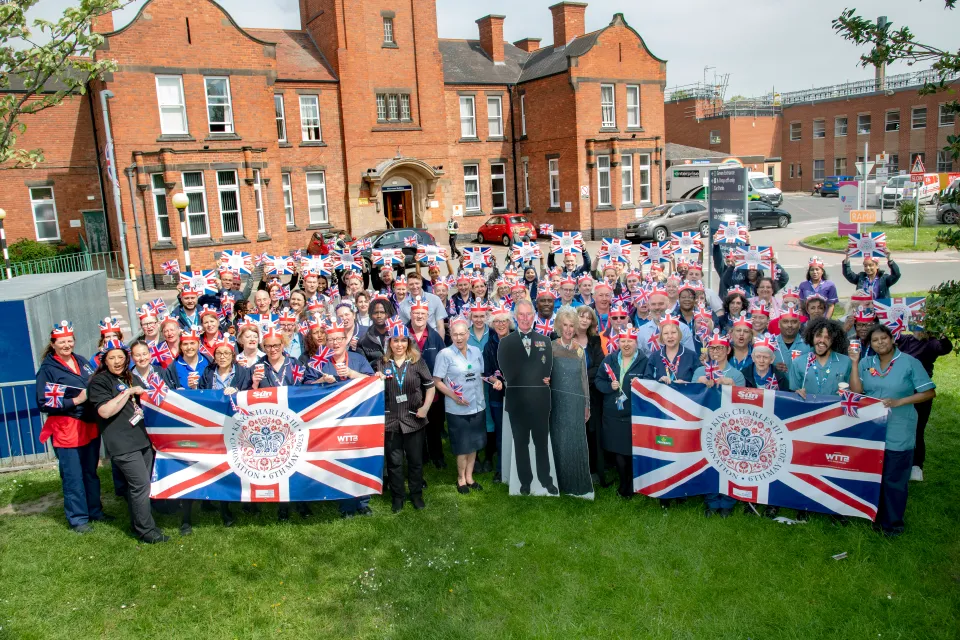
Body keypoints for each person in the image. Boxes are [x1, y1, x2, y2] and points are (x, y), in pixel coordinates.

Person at [850, 324, 936, 537]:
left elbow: (928, 392)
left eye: (883, 338)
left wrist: (900, 402)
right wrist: (854, 363)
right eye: (875, 341)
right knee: (875, 476)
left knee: (894, 479)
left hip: (899, 428)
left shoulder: (909, 363)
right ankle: (876, 518)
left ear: (892, 339)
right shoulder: (866, 363)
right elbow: (856, 391)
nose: (880, 343)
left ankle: (893, 525)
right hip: (872, 430)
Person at [87, 340, 169, 543]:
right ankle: (147, 531)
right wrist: (127, 393)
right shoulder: (99, 382)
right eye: (112, 358)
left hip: (141, 440)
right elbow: (105, 411)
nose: (117, 361)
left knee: (142, 486)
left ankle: (137, 523)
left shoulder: (129, 377)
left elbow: (150, 400)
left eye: (121, 357)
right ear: (104, 360)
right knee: (140, 485)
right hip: (123, 444)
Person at [36, 321, 105, 533]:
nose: (67, 345)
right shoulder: (47, 370)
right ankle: (78, 519)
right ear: (53, 344)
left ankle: (95, 511)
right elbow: (43, 402)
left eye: (69, 341)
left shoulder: (82, 361)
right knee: (73, 475)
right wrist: (74, 401)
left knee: (90, 472)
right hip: (66, 428)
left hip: (89, 425)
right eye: (62, 342)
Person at [311, 320, 376, 518]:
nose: (336, 343)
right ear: (326, 342)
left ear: (346, 340)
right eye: (331, 340)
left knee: (360, 458)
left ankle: (362, 502)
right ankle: (346, 504)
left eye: (339, 339)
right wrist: (322, 380)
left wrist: (350, 374)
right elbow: (305, 389)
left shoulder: (357, 359)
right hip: (332, 422)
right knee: (340, 461)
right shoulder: (319, 362)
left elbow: (372, 381)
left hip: (359, 417)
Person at [498, 299, 557, 495]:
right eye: (521, 315)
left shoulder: (545, 341)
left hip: (540, 403)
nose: (524, 318)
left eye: (528, 315)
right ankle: (525, 482)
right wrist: (534, 378)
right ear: (516, 317)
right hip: (518, 404)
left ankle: (546, 480)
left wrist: (546, 379)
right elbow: (509, 372)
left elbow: (547, 369)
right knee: (521, 444)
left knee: (541, 444)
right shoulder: (505, 343)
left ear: (534, 316)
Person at [375, 323, 435, 512]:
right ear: (389, 343)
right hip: (391, 420)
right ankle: (398, 497)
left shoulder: (417, 361)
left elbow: (430, 386)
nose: (399, 345)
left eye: (403, 341)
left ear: (408, 343)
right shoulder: (382, 363)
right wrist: (376, 379)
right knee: (395, 463)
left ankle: (416, 494)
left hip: (414, 419)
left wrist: (425, 407)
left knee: (415, 461)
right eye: (395, 341)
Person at [691, 331, 745, 518]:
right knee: (709, 462)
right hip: (706, 424)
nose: (716, 351)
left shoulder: (736, 374)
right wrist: (698, 384)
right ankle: (712, 501)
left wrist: (732, 386)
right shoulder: (699, 371)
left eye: (720, 348)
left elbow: (744, 401)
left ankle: (728, 500)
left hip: (730, 425)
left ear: (728, 350)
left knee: (730, 463)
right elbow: (691, 398)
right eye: (712, 348)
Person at [433, 317, 486, 494]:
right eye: (455, 334)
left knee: (474, 444)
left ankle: (470, 477)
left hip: (477, 405)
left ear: (468, 334)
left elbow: (481, 375)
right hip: (458, 409)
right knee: (463, 446)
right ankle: (461, 479)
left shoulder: (476, 351)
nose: (459, 338)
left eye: (462, 334)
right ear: (450, 335)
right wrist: (454, 396)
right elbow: (437, 381)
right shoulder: (445, 355)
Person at [595, 325, 649, 499]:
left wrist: (641, 387)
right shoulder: (609, 360)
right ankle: (624, 483)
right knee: (618, 451)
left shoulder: (644, 361)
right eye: (623, 341)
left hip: (634, 414)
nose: (626, 344)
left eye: (630, 341)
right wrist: (608, 387)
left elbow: (650, 384)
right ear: (618, 342)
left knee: (630, 451)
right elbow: (598, 380)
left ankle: (631, 484)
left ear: (636, 343)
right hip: (613, 414)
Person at [549, 306, 594, 497]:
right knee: (559, 440)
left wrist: (586, 405)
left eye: (571, 326)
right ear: (559, 326)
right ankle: (559, 482)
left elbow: (584, 379)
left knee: (576, 440)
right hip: (557, 402)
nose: (568, 329)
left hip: (576, 402)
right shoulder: (551, 348)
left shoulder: (580, 350)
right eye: (564, 325)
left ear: (576, 327)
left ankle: (577, 483)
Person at [895, 330, 952, 482]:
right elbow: (889, 335)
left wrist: (940, 333)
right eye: (916, 324)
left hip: (921, 392)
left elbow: (945, 348)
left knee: (917, 429)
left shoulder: (932, 343)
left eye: (923, 325)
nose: (919, 329)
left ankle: (916, 466)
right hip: (899, 391)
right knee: (897, 427)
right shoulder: (905, 339)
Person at [407, 298, 446, 469]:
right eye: (416, 313)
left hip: (433, 388)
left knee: (435, 424)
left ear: (427, 315)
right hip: (411, 389)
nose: (419, 317)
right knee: (415, 425)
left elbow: (444, 359)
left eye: (423, 314)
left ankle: (437, 455)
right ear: (411, 314)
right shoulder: (403, 334)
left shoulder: (435, 336)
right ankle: (421, 456)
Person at [483, 303, 513, 483]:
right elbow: (486, 373)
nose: (501, 325)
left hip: (517, 395)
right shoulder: (489, 345)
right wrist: (496, 381)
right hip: (497, 396)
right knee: (501, 433)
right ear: (493, 324)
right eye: (497, 322)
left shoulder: (518, 340)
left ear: (509, 322)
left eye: (504, 321)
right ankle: (502, 470)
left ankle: (518, 466)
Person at [788, 317, 851, 399]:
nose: (822, 340)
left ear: (834, 340)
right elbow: (792, 393)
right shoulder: (798, 362)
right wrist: (797, 393)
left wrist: (848, 393)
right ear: (812, 337)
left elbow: (854, 391)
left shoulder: (846, 362)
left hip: (835, 410)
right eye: (818, 336)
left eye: (827, 337)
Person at [643, 315, 698, 384]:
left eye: (673, 332)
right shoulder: (654, 357)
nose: (670, 336)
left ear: (679, 334)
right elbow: (646, 383)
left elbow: (699, 383)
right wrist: (659, 382)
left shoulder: (692, 356)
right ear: (661, 336)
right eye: (666, 333)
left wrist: (685, 384)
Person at [356, 297, 394, 365]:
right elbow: (363, 366)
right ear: (370, 315)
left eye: (382, 312)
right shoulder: (363, 340)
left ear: (389, 314)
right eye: (376, 313)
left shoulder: (400, 334)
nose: (379, 316)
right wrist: (379, 362)